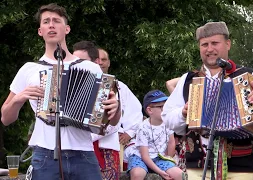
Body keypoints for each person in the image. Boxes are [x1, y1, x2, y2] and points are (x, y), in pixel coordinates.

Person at [0, 4, 120, 180]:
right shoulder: (29, 69)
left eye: (56, 21)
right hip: (45, 155)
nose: (51, 25)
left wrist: (115, 109)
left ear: (67, 29)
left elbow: (110, 121)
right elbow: (5, 118)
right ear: (40, 31)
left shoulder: (91, 68)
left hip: (84, 154)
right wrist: (18, 99)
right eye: (46, 22)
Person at [162, 21, 253, 179]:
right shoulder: (188, 80)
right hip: (198, 166)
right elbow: (167, 117)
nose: (209, 49)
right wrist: (182, 113)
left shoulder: (248, 76)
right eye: (204, 44)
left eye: (215, 43)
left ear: (228, 44)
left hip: (241, 166)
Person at [73, 42, 143, 179]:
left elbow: (133, 111)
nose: (101, 63)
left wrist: (129, 132)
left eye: (104, 60)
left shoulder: (119, 86)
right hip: (77, 146)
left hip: (107, 144)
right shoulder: (73, 85)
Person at [127, 90, 183, 180]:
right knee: (137, 174)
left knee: (179, 174)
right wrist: (160, 171)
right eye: (161, 107)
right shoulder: (143, 127)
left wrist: (168, 158)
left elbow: (171, 142)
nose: (165, 109)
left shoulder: (168, 122)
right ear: (149, 110)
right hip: (141, 157)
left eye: (166, 106)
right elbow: (144, 156)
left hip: (159, 157)